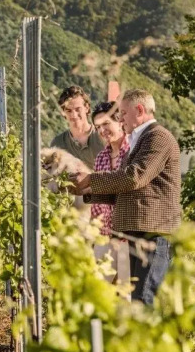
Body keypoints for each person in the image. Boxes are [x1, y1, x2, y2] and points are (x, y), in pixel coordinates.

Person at [72, 89, 181, 305]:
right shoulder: (139, 140)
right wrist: (86, 191)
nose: (120, 119)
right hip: (139, 231)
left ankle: (150, 339)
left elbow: (134, 177)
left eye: (122, 113)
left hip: (153, 232)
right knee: (139, 298)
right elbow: (125, 189)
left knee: (145, 299)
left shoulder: (158, 137)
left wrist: (91, 180)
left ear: (139, 110)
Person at [90, 101, 130, 283]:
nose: (102, 130)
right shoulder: (101, 157)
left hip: (127, 236)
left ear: (120, 121)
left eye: (106, 124)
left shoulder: (133, 151)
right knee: (99, 288)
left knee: (126, 292)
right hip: (104, 235)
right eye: (98, 127)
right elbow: (99, 202)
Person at [50, 85, 104, 169]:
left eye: (78, 109)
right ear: (63, 112)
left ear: (86, 108)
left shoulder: (103, 136)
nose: (74, 115)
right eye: (69, 110)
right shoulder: (58, 144)